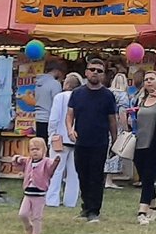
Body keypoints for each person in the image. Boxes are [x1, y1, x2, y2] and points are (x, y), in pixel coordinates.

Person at [65, 57, 117, 223]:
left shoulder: (108, 95)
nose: (95, 73)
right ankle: (85, 207)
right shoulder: (77, 93)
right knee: (82, 175)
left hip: (100, 141)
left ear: (103, 75)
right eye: (92, 69)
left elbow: (112, 120)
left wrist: (115, 141)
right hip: (81, 141)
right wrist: (70, 129)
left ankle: (94, 210)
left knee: (96, 176)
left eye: (99, 71)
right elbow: (70, 115)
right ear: (86, 72)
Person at [132, 70, 156, 225]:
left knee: (148, 176)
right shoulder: (140, 99)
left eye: (151, 79)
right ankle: (154, 206)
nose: (148, 82)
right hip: (140, 143)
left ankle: (142, 211)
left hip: (155, 144)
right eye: (146, 79)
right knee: (144, 176)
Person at [13, 138, 60, 234]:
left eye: (37, 149)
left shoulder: (46, 162)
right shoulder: (28, 161)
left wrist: (56, 162)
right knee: (22, 214)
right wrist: (17, 158)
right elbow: (18, 162)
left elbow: (51, 168)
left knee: (36, 217)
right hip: (28, 194)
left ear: (44, 151)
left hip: (39, 195)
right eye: (32, 149)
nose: (35, 152)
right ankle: (28, 227)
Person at [45, 73, 82, 208]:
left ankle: (52, 199)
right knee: (74, 173)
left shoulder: (59, 97)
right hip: (76, 138)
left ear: (66, 84)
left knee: (56, 170)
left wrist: (51, 135)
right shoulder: (81, 97)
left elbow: (54, 118)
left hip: (59, 138)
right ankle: (70, 201)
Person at [33, 60, 65, 142]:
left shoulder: (38, 83)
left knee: (41, 145)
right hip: (49, 119)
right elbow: (58, 103)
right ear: (57, 71)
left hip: (38, 117)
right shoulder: (55, 84)